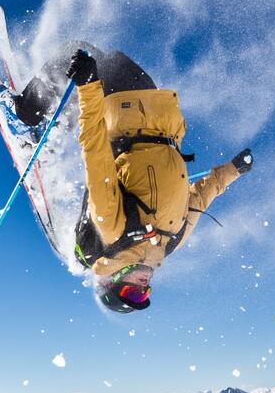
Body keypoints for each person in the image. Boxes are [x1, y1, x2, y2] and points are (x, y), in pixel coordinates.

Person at [19, 48, 253, 314]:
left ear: (111, 282)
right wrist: (234, 170)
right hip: (162, 112)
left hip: (124, 106)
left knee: (77, 52)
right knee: (100, 55)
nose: (144, 288)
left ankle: (24, 113)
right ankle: (54, 123)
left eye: (133, 292)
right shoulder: (171, 244)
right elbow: (201, 196)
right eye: (144, 295)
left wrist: (88, 86)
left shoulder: (113, 229)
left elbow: (96, 153)